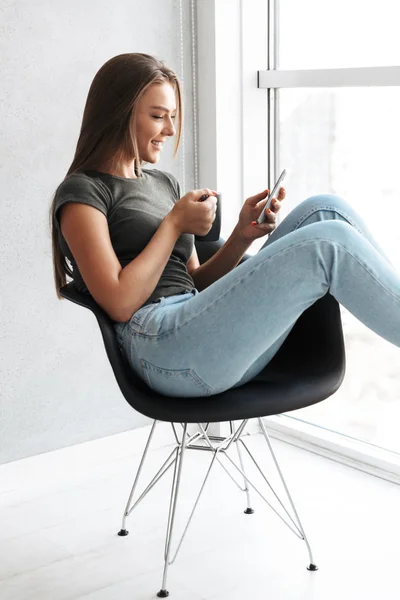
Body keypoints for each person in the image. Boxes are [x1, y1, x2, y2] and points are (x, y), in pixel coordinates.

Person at [50, 53, 400, 399]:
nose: (170, 130)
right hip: (159, 347)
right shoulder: (83, 194)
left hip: (199, 329)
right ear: (119, 114)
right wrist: (172, 224)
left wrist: (240, 236)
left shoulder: (163, 184)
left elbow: (195, 284)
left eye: (172, 117)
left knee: (325, 210)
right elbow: (120, 304)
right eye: (158, 117)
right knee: (329, 242)